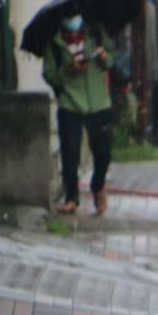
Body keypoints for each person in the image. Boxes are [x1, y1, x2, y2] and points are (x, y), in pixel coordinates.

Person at [41, 13, 117, 216]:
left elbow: (111, 58)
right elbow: (49, 74)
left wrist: (104, 57)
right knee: (70, 153)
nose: (73, 29)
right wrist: (68, 71)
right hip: (70, 103)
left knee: (104, 152)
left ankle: (98, 185)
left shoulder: (96, 34)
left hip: (99, 102)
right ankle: (71, 197)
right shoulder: (55, 44)